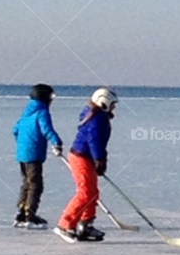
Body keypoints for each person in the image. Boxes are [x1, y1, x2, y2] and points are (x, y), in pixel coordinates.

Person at [55, 88, 117, 243]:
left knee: (92, 192)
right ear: (104, 102)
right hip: (81, 157)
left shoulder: (97, 115)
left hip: (86, 157)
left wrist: (99, 160)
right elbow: (94, 141)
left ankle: (85, 225)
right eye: (112, 104)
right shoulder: (97, 119)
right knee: (85, 192)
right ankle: (65, 224)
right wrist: (100, 160)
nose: (114, 107)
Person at [12, 83, 62, 227]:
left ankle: (21, 212)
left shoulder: (27, 112)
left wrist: (22, 143)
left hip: (22, 154)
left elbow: (15, 129)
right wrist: (56, 142)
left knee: (26, 183)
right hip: (33, 154)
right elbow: (46, 129)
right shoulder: (42, 112)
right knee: (36, 185)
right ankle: (30, 214)